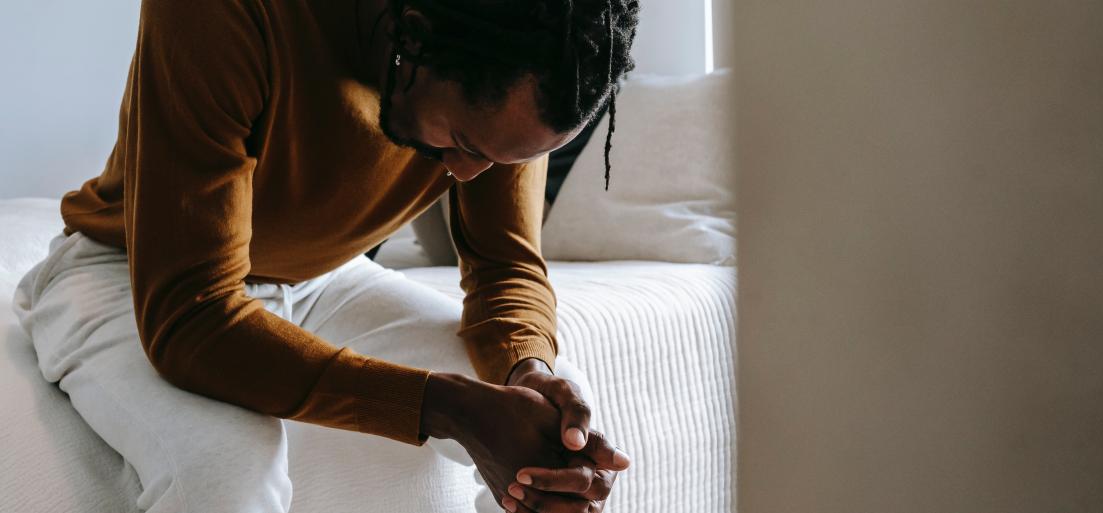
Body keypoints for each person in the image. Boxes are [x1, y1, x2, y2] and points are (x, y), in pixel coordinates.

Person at [10, 0, 640, 512]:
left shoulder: (529, 54)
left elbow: (505, 265)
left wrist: (526, 368)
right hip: (127, 276)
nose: (469, 176)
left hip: (322, 277)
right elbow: (191, 319)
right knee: (227, 471)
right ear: (413, 38)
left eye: (504, 159)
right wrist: (446, 406)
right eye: (463, 143)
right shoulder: (227, 11)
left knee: (557, 437)